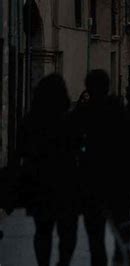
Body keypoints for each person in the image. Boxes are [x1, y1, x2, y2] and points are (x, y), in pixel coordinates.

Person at [74, 69, 130, 265]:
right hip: (119, 182)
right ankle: (121, 258)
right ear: (108, 86)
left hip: (91, 182)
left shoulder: (81, 115)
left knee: (95, 235)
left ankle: (101, 261)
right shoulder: (123, 115)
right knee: (122, 228)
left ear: (88, 87)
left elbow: (71, 150)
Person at [19, 74, 80, 266]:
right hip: (66, 184)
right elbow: (78, 150)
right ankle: (63, 263)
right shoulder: (70, 121)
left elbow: (20, 151)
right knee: (67, 231)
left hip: (38, 184)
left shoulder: (29, 121)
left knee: (42, 231)